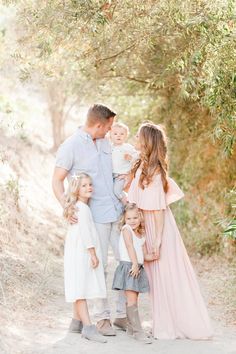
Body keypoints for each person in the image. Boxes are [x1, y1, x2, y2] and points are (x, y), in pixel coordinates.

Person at [128, 122, 213, 340]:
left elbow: (157, 210)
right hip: (148, 226)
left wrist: (156, 241)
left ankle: (168, 326)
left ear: (147, 142)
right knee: (156, 278)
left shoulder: (156, 172)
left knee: (165, 276)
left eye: (138, 137)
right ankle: (162, 323)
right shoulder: (142, 167)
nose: (136, 140)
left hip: (159, 229)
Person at [52, 104, 126, 336]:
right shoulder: (71, 146)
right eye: (109, 127)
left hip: (117, 211)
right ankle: (102, 318)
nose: (111, 131)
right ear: (98, 125)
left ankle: (120, 315)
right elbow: (57, 180)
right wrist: (68, 206)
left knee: (126, 261)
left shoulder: (106, 142)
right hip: (95, 217)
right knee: (99, 267)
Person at [63, 173, 107, 343]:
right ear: (76, 189)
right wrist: (93, 253)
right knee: (80, 287)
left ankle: (76, 322)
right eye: (84, 185)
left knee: (78, 283)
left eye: (90, 184)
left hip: (76, 251)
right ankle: (89, 327)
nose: (89, 187)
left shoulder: (80, 207)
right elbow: (86, 233)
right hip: (81, 252)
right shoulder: (82, 208)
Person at [112, 203, 158, 344]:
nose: (132, 221)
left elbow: (143, 255)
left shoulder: (141, 233)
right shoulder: (126, 230)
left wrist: (154, 255)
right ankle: (138, 332)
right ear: (124, 220)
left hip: (137, 267)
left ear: (140, 217)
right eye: (128, 218)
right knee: (132, 301)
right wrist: (134, 264)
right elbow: (129, 246)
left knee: (133, 299)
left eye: (135, 218)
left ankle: (131, 328)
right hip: (129, 267)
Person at [110, 122, 139, 205]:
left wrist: (131, 158)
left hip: (121, 176)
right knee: (111, 192)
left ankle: (127, 203)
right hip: (111, 175)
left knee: (117, 191)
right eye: (115, 134)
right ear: (111, 136)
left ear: (126, 136)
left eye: (122, 134)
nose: (118, 136)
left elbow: (137, 156)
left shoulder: (127, 147)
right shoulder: (110, 147)